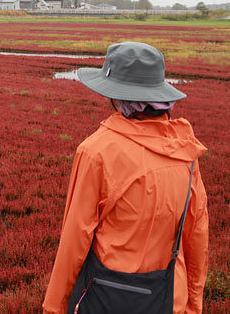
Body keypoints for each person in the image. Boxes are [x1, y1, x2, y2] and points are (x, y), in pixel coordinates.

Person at [42, 41, 208, 313]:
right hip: (171, 300)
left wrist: (54, 308)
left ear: (117, 97)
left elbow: (74, 241)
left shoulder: (96, 152)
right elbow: (197, 238)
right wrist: (193, 304)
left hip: (108, 299)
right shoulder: (186, 152)